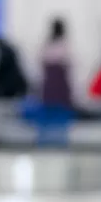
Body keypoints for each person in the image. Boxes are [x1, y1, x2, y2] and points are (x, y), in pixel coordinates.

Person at [36, 17, 75, 145]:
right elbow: (68, 67)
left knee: (46, 125)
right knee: (60, 126)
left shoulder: (46, 46)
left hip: (49, 89)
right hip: (59, 89)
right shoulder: (64, 46)